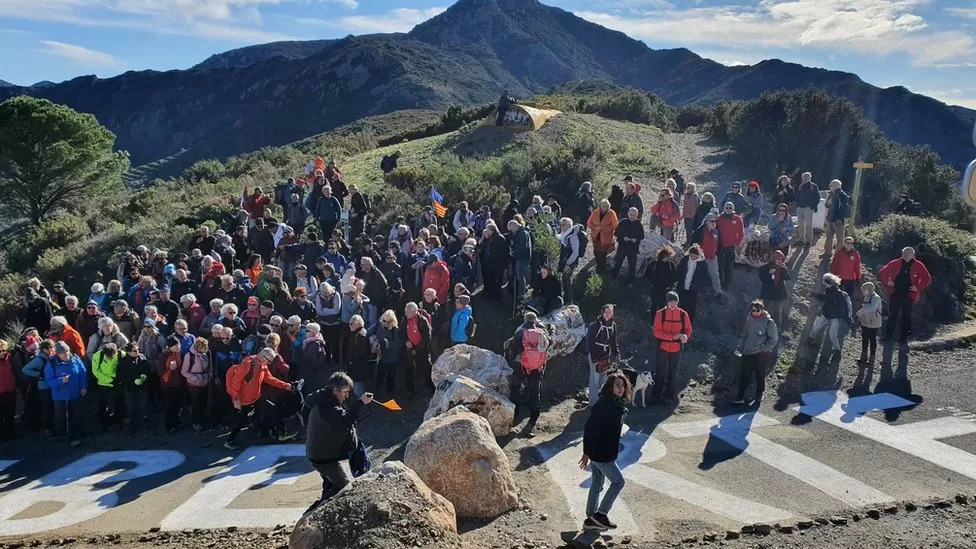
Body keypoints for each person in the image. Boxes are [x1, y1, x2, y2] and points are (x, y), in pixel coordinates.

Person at [302, 372, 373, 511]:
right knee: (345, 487)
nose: (346, 396)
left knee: (330, 485)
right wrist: (360, 403)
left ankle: (316, 512)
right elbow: (344, 420)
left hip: (321, 453)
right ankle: (315, 515)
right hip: (323, 457)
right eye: (345, 392)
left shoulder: (324, 398)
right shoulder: (326, 406)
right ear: (335, 390)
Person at [579, 371, 632, 532]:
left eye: (623, 386)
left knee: (597, 483)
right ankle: (601, 515)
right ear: (610, 387)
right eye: (617, 385)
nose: (621, 388)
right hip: (602, 454)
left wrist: (620, 429)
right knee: (618, 482)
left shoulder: (617, 405)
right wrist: (586, 452)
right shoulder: (604, 406)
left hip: (601, 452)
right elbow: (590, 429)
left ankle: (590, 519)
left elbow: (609, 426)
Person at [223, 348, 293, 450]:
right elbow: (236, 382)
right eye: (269, 361)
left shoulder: (263, 365)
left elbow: (269, 379)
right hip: (244, 400)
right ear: (263, 357)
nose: (269, 363)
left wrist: (286, 385)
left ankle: (273, 432)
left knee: (268, 411)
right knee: (240, 422)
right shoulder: (247, 364)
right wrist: (236, 398)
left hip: (256, 397)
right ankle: (229, 440)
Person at [507, 311, 552, 438]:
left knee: (515, 388)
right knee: (534, 392)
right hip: (537, 368)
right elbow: (550, 343)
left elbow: (514, 348)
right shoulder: (541, 332)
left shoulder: (520, 332)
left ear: (525, 320)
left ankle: (515, 413)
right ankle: (533, 419)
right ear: (535, 320)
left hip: (522, 365)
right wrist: (551, 332)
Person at [878, 246, 931, 343]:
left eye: (909, 253)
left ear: (913, 255)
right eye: (904, 253)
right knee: (892, 315)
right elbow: (883, 272)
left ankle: (904, 338)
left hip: (909, 295)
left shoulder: (919, 265)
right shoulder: (895, 263)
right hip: (895, 293)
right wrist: (888, 281)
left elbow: (927, 279)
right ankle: (888, 336)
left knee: (907, 316)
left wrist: (918, 287)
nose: (906, 255)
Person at [733, 300, 779, 405]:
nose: (754, 312)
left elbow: (774, 339)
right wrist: (740, 348)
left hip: (761, 354)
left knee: (760, 375)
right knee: (744, 375)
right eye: (752, 310)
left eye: (756, 310)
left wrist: (764, 348)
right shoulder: (749, 319)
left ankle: (759, 395)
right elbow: (744, 335)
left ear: (762, 310)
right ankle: (740, 396)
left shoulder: (769, 322)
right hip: (748, 352)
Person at [651, 292, 691, 405]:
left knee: (673, 373)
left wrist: (685, 336)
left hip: (677, 348)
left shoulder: (683, 314)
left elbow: (688, 329)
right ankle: (655, 396)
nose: (673, 304)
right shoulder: (660, 314)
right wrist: (671, 337)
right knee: (660, 373)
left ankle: (669, 396)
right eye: (671, 301)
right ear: (667, 302)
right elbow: (656, 332)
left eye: (675, 301)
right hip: (663, 347)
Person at [45, 341, 88, 445]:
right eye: (63, 353)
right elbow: (48, 382)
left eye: (67, 351)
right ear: (58, 354)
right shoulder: (51, 364)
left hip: (75, 393)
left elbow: (82, 372)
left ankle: (78, 433)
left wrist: (83, 386)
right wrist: (60, 380)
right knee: (61, 417)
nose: (66, 354)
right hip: (60, 396)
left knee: (77, 414)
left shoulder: (75, 358)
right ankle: (62, 435)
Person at [809, 273, 853, 359]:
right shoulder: (829, 290)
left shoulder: (839, 294)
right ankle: (811, 339)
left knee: (832, 334)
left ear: (827, 282)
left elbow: (843, 308)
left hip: (834, 316)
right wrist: (814, 294)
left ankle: (837, 351)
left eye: (824, 281)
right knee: (817, 327)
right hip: (827, 314)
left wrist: (844, 318)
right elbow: (824, 297)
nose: (823, 282)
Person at [586, 305, 619, 406]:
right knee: (594, 381)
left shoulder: (613, 325)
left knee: (602, 380)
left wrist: (616, 353)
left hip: (605, 356)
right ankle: (593, 403)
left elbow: (613, 341)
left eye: (610, 312)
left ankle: (601, 402)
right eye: (606, 312)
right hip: (595, 354)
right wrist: (594, 358)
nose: (608, 314)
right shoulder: (596, 325)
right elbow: (591, 342)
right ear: (602, 313)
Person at [117, 341, 151, 434]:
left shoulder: (142, 357)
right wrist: (132, 381)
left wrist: (144, 375)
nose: (137, 352)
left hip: (142, 387)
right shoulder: (123, 363)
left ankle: (144, 421)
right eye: (134, 351)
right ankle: (131, 425)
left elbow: (147, 368)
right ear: (128, 352)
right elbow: (121, 377)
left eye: (137, 350)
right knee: (130, 407)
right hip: (129, 389)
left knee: (144, 405)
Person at [403, 302, 434, 397]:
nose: (406, 313)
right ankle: (410, 390)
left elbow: (427, 338)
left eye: (408, 312)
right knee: (409, 369)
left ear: (414, 311)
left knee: (426, 368)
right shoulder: (405, 319)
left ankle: (431, 388)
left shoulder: (422, 321)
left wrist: (416, 349)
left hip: (421, 350)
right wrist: (406, 341)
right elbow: (402, 332)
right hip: (409, 349)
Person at [182, 337, 212, 432]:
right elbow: (184, 372)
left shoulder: (207, 353)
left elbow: (210, 366)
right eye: (204, 347)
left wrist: (209, 377)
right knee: (196, 403)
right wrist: (196, 379)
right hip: (194, 384)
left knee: (204, 402)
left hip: (205, 381)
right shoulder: (189, 356)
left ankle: (203, 420)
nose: (206, 349)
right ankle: (195, 422)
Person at [374, 310, 404, 399]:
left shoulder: (395, 330)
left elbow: (398, 345)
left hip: (391, 358)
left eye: (388, 321)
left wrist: (389, 344)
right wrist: (374, 341)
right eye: (384, 321)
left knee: (391, 376)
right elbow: (368, 333)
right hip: (381, 356)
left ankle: (390, 392)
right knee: (380, 375)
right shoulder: (378, 326)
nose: (386, 323)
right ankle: (378, 391)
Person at [676, 245, 709, 322]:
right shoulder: (685, 260)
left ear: (698, 255)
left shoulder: (702, 264)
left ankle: (688, 324)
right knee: (681, 306)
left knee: (691, 308)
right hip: (683, 287)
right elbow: (679, 271)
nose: (693, 257)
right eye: (691, 255)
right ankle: (680, 323)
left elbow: (704, 278)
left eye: (695, 256)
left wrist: (699, 287)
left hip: (693, 290)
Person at [759, 250, 791, 329]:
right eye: (778, 259)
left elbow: (788, 277)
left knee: (778, 312)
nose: (780, 261)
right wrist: (769, 273)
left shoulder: (782, 268)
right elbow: (762, 278)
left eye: (781, 259)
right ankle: (762, 327)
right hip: (768, 293)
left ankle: (777, 329)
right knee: (765, 311)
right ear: (774, 259)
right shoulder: (765, 267)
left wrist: (784, 269)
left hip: (778, 294)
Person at [557, 218, 585, 305]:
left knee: (567, 279)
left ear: (569, 226)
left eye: (564, 224)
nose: (561, 226)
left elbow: (575, 252)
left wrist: (568, 264)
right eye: (561, 224)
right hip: (565, 260)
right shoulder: (564, 235)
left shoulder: (572, 236)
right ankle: (567, 299)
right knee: (564, 280)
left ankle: (570, 300)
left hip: (570, 262)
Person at [716, 202, 744, 290]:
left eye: (730, 208)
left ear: (733, 209)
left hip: (731, 246)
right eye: (726, 207)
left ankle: (727, 283)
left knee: (729, 265)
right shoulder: (719, 218)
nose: (728, 209)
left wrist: (737, 242)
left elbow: (741, 232)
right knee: (720, 264)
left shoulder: (737, 218)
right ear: (724, 208)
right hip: (720, 245)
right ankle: (720, 282)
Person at [612, 207, 644, 281]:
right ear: (628, 214)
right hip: (623, 246)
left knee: (632, 265)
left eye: (634, 215)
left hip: (633, 247)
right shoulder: (622, 222)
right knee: (618, 262)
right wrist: (623, 238)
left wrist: (636, 239)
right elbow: (616, 233)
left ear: (637, 215)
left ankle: (631, 282)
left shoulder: (638, 224)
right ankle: (613, 278)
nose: (632, 216)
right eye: (631, 214)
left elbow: (642, 236)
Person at [344, 314, 373, 397]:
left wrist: (352, 361)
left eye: (351, 324)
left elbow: (362, 352)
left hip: (359, 367)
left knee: (359, 390)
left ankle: (363, 407)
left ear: (358, 324)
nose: (349, 326)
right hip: (359, 366)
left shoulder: (360, 336)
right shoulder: (360, 332)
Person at [587, 200, 619, 274]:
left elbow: (615, 226)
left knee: (602, 254)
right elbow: (589, 223)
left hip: (606, 238)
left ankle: (602, 270)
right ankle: (598, 267)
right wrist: (595, 228)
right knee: (596, 253)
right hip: (596, 237)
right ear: (600, 206)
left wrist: (602, 228)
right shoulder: (595, 212)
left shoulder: (611, 213)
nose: (604, 208)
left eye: (606, 206)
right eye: (602, 206)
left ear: (608, 206)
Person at [855, 282, 884, 364]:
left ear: (868, 290)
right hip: (866, 322)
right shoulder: (867, 297)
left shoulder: (876, 298)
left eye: (863, 289)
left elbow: (871, 309)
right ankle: (863, 356)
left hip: (874, 323)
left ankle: (872, 358)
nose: (862, 291)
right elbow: (865, 308)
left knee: (872, 340)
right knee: (864, 339)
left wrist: (859, 313)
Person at [822, 179, 850, 256]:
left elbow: (844, 209)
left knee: (839, 238)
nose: (829, 186)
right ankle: (827, 252)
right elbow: (826, 205)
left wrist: (840, 219)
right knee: (828, 236)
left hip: (838, 220)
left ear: (836, 186)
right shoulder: (831, 194)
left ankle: (838, 254)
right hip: (830, 219)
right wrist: (828, 203)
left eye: (831, 185)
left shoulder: (843, 195)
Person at [646, 247, 677, 314]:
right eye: (665, 257)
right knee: (654, 305)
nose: (667, 258)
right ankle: (652, 321)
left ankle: (660, 322)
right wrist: (652, 283)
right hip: (655, 288)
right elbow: (647, 274)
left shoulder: (671, 265)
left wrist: (670, 285)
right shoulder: (654, 263)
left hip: (665, 289)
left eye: (668, 257)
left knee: (662, 306)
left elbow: (674, 277)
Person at [508, 219, 533, 300]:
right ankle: (520, 292)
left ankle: (521, 294)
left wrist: (514, 252)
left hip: (522, 258)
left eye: (511, 229)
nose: (511, 231)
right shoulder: (521, 232)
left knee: (520, 275)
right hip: (520, 257)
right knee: (519, 275)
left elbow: (523, 247)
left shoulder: (522, 234)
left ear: (514, 226)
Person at [794, 172, 819, 247]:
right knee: (800, 225)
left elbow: (817, 197)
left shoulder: (814, 186)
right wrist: (798, 206)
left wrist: (812, 206)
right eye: (804, 177)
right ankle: (801, 239)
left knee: (808, 225)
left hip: (808, 208)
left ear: (810, 178)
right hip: (800, 208)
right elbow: (796, 196)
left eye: (807, 177)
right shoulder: (800, 186)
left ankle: (809, 241)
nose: (805, 178)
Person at [0, 341, 16, 440]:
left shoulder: (10, 359)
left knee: (10, 415)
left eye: (4, 350)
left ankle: (10, 433)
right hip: (0, 393)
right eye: (0, 351)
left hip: (10, 390)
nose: (2, 352)